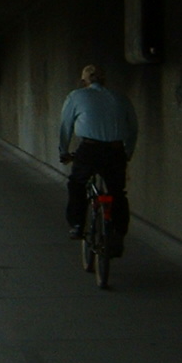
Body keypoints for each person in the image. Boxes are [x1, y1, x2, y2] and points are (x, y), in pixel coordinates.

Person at [59, 64, 138, 245]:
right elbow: (133, 128)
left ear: (84, 81)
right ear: (104, 80)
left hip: (89, 150)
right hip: (116, 151)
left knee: (77, 184)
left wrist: (63, 152)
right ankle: (118, 232)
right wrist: (128, 152)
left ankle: (77, 224)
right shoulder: (120, 97)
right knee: (117, 192)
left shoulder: (76, 96)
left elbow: (65, 127)